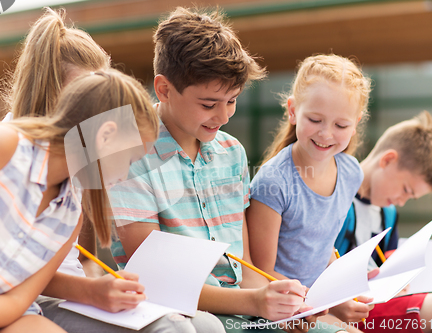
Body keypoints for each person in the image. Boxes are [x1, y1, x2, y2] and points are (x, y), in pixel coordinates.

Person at [107, 7, 343, 333]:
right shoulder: (128, 153)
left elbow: (244, 265)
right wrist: (257, 302)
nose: (224, 116)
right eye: (208, 104)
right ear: (163, 89)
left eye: (232, 100)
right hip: (181, 315)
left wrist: (285, 306)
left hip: (242, 311)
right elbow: (156, 282)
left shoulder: (231, 152)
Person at [0, 8, 223, 333]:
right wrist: (91, 290)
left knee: (207, 327)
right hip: (38, 298)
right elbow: (11, 272)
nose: (94, 106)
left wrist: (98, 285)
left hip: (65, 291)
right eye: (84, 94)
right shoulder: (9, 152)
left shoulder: (79, 154)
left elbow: (76, 252)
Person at [0, 69, 159, 333]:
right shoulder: (3, 145)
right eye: (130, 160)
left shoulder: (71, 215)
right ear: (105, 136)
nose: (125, 175)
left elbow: (17, 301)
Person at [247, 54, 372, 332]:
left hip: (317, 303)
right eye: (315, 119)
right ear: (292, 111)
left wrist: (341, 291)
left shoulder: (351, 172)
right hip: (279, 309)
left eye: (341, 125)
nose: (327, 134)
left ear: (356, 124)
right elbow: (260, 271)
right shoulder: (273, 181)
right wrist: (329, 303)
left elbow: (323, 247)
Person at [334, 110, 432, 333]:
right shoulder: (334, 197)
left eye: (411, 197)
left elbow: (385, 265)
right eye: (406, 190)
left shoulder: (388, 214)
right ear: (388, 160)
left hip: (378, 304)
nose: (402, 201)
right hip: (345, 308)